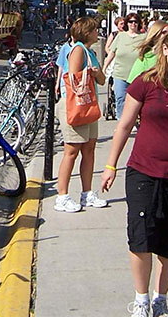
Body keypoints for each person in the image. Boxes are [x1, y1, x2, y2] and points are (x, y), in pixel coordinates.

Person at [100, 28, 168, 317]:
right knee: (141, 238)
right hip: (143, 171)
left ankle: (161, 298)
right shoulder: (146, 83)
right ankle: (141, 298)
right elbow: (124, 125)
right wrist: (111, 165)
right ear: (164, 50)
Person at [54, 16, 107, 213]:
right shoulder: (77, 50)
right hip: (75, 105)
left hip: (88, 105)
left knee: (89, 148)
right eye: (94, 30)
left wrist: (94, 73)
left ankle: (87, 192)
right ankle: (62, 196)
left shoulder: (91, 52)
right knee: (72, 150)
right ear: (87, 32)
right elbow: (73, 79)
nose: (97, 33)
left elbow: (101, 79)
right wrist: (88, 73)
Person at [103, 14, 144, 118]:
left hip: (138, 75)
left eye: (135, 21)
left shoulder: (144, 37)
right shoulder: (120, 36)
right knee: (120, 98)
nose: (133, 24)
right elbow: (112, 52)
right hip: (120, 74)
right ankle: (122, 122)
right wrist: (105, 67)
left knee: (138, 100)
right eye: (130, 22)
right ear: (127, 23)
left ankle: (135, 120)